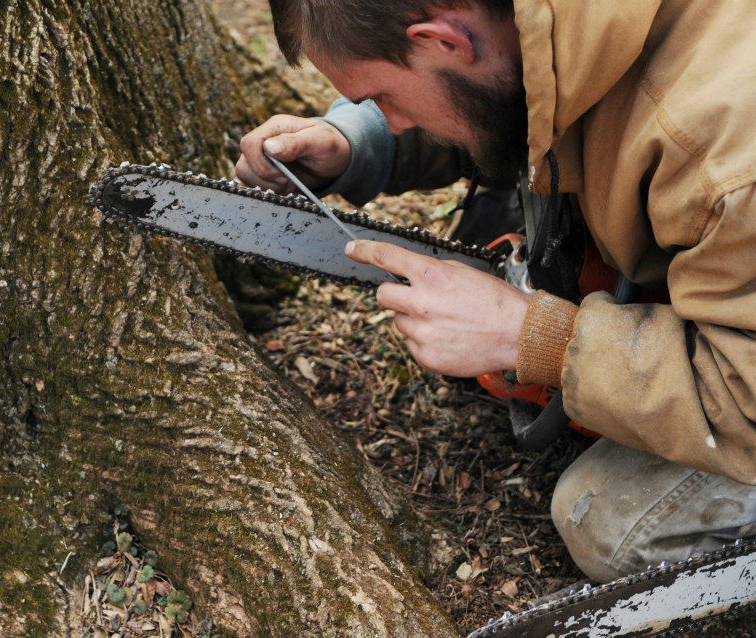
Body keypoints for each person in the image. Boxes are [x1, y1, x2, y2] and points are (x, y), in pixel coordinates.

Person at [236, 0, 756, 583]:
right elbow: (506, 100)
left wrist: (532, 335)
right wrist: (359, 141)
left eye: (382, 99)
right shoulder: (542, 28)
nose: (393, 117)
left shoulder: (726, 159)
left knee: (613, 526)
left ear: (442, 42)